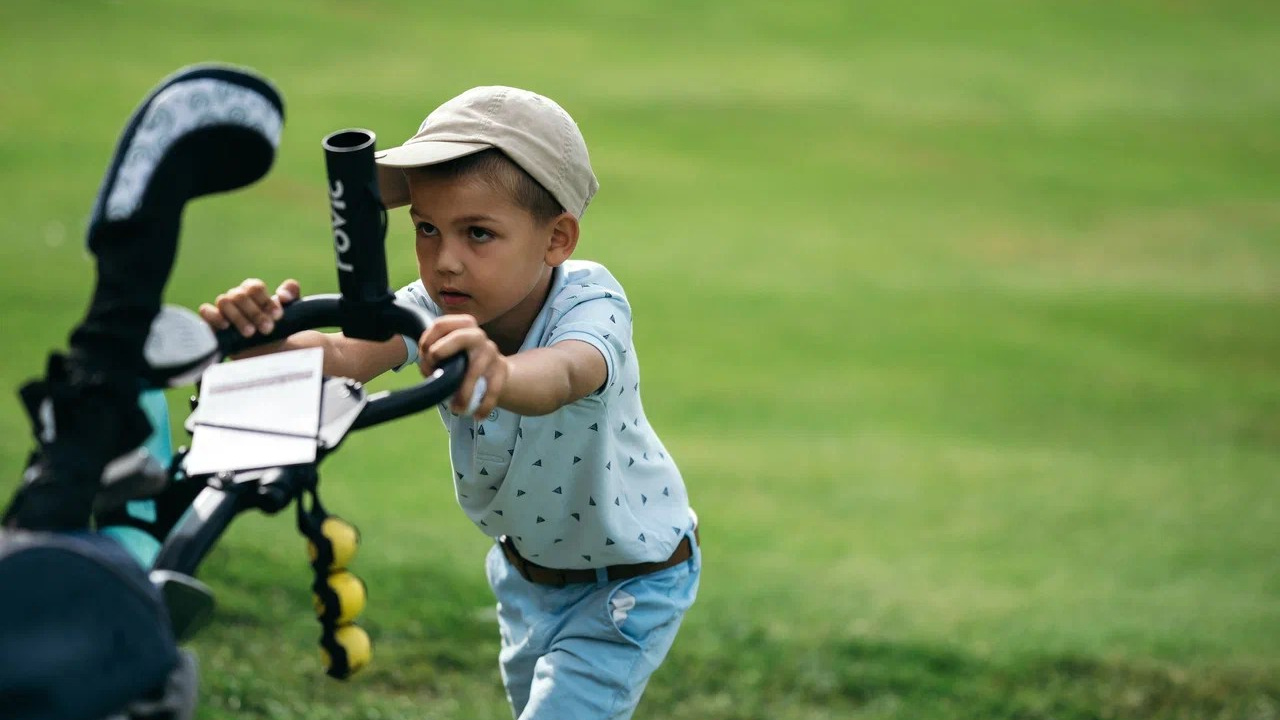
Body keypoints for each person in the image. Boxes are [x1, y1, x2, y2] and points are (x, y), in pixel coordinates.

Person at [199, 85, 700, 720]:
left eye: (479, 234)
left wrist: (498, 370)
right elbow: (350, 352)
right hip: (525, 577)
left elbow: (565, 374)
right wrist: (260, 340)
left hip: (632, 579)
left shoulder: (590, 302)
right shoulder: (433, 306)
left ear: (557, 239)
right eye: (427, 229)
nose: (446, 262)